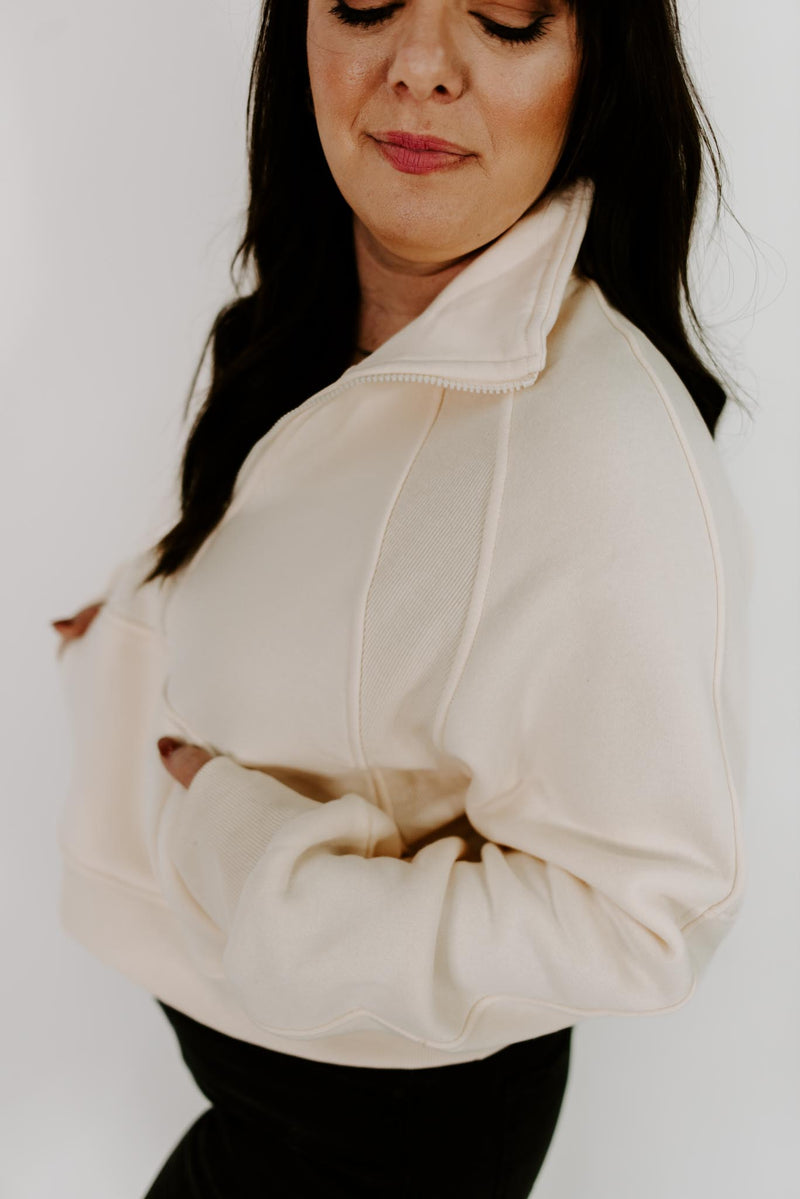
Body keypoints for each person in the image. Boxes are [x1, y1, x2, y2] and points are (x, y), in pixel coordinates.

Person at [52, 0, 754, 1196]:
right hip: (272, 1093)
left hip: (372, 1145)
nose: (420, 67)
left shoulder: (600, 453)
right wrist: (148, 611)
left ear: (598, 63)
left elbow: (641, 921)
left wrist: (252, 861)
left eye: (506, 16)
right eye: (367, 2)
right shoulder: (314, 318)